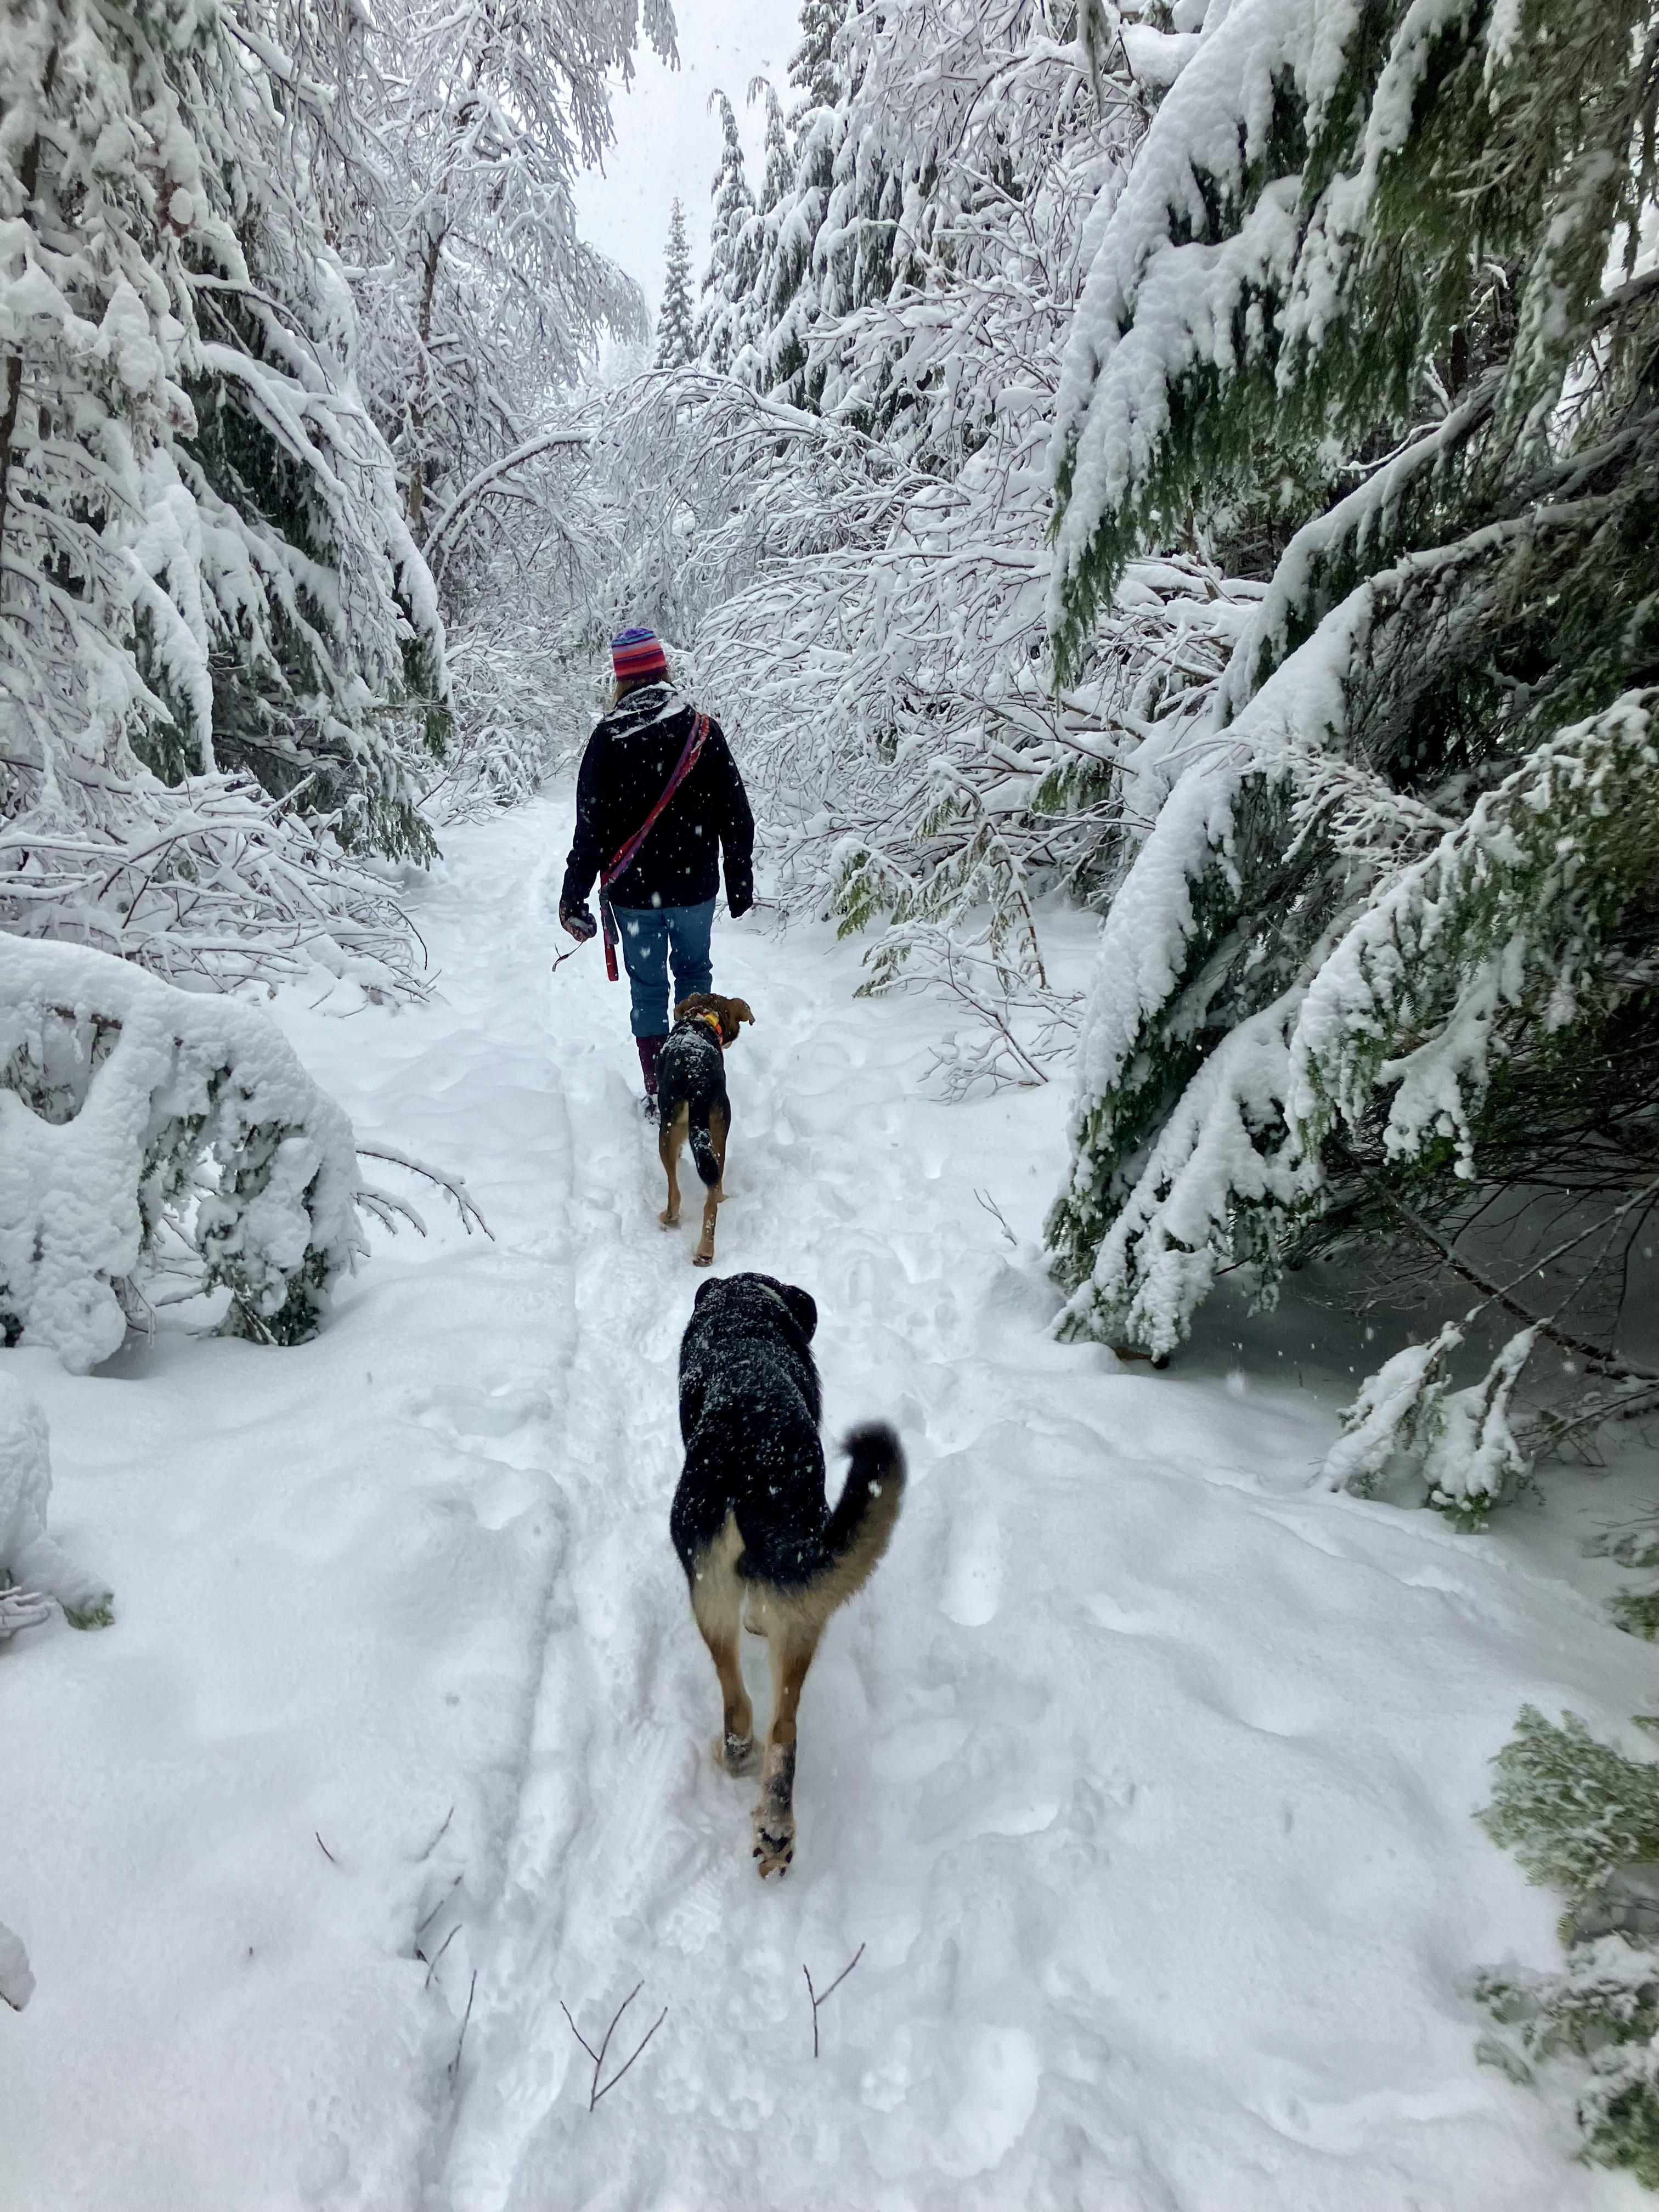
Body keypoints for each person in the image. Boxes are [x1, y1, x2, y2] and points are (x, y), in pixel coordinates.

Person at [559, 628, 755, 1112]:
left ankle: (659, 1089)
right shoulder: (702, 730)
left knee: (648, 989)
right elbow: (736, 812)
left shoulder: (608, 739)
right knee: (694, 976)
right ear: (663, 670)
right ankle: (698, 1078)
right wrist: (739, 879)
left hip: (633, 894)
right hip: (694, 890)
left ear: (621, 679)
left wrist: (574, 895)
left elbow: (590, 828)